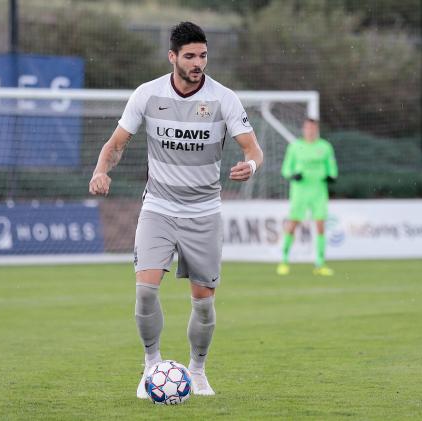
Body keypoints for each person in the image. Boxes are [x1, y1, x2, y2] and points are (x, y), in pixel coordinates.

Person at [89, 21, 263, 398]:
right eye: (190, 56)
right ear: (173, 57)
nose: (198, 62)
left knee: (203, 304)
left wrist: (250, 166)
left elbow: (253, 149)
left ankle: (197, 371)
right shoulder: (147, 94)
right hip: (159, 208)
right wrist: (101, 170)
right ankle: (151, 366)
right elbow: (116, 143)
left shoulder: (224, 98)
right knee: (146, 292)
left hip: (204, 211)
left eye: (202, 55)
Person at [277, 117, 338, 277]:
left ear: (316, 130)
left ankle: (320, 264)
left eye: (313, 129)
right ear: (304, 130)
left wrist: (331, 176)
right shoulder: (295, 147)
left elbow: (332, 168)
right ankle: (283, 260)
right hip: (300, 191)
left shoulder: (325, 147)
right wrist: (293, 175)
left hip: (319, 191)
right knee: (293, 223)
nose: (310, 131)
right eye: (308, 128)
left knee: (320, 225)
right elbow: (285, 169)